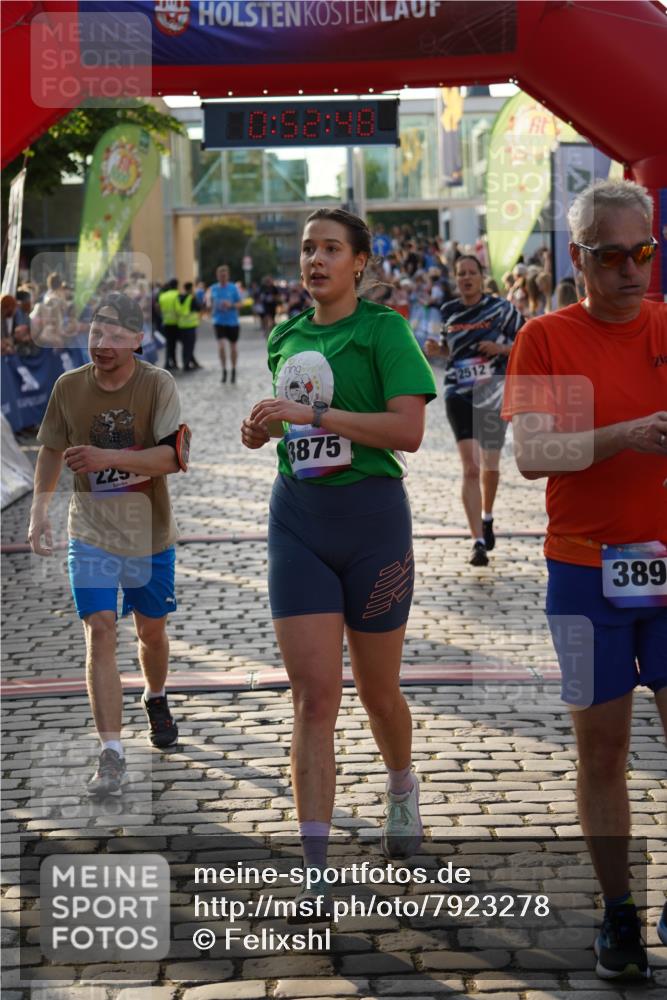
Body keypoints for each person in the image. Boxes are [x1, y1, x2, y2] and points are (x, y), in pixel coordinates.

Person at [241, 208, 437, 910]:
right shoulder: (285, 337)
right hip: (297, 521)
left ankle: (401, 785)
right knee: (313, 697)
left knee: (379, 691)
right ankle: (316, 866)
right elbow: (289, 432)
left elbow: (408, 431)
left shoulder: (384, 331)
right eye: (305, 249)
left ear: (359, 262)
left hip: (373, 523)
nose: (313, 260)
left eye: (330, 249)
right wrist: (264, 430)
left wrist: (314, 419)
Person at [502, 179, 667, 980]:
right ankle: (618, 914)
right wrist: (628, 433)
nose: (633, 270)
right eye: (613, 256)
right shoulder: (546, 339)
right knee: (600, 754)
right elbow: (536, 454)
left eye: (644, 252)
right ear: (577, 258)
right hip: (580, 573)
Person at [28, 292, 188, 798]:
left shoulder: (157, 385)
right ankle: (112, 752)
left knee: (151, 634)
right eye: (97, 333)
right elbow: (51, 449)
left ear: (139, 340)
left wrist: (103, 457)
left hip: (149, 535)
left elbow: (171, 459)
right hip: (91, 533)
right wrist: (38, 512)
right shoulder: (68, 387)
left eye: (117, 335)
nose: (103, 343)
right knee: (99, 630)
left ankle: (156, 695)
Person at [425, 255, 524, 566]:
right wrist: (436, 351)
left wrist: (501, 349)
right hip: (459, 392)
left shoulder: (501, 309)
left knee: (490, 467)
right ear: (456, 279)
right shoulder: (448, 311)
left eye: (471, 273)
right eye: (460, 273)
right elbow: (448, 349)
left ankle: (488, 515)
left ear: (482, 277)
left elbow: (528, 339)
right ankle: (477, 542)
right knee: (471, 467)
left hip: (492, 391)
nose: (466, 278)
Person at [207, 264, 242, 383]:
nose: (222, 277)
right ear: (217, 276)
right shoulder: (213, 288)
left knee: (233, 348)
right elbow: (208, 303)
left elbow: (240, 304)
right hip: (218, 320)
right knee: (221, 346)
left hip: (232, 322)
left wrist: (231, 305)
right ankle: (224, 370)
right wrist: (210, 305)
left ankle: (233, 369)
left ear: (228, 276)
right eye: (220, 276)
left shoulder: (233, 288)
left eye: (224, 275)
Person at [177, 281, 202, 371]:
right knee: (190, 345)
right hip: (190, 325)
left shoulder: (179, 297)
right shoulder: (191, 298)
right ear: (191, 288)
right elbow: (198, 307)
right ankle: (187, 365)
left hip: (181, 325)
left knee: (185, 346)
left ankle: (186, 362)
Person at [158, 278, 181, 371]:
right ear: (176, 285)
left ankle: (167, 362)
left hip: (166, 322)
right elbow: (178, 309)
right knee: (174, 344)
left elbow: (159, 308)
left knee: (169, 343)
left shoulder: (162, 296)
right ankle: (173, 362)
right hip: (175, 323)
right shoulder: (177, 295)